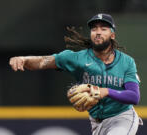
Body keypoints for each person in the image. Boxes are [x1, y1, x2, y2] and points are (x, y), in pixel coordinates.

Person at [9, 13, 142, 135]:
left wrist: (105, 91)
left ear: (112, 35)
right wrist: (24, 59)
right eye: (94, 29)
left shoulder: (126, 62)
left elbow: (134, 96)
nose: (98, 32)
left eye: (103, 29)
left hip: (122, 117)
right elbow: (44, 61)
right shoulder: (77, 59)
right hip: (96, 122)